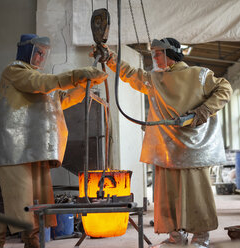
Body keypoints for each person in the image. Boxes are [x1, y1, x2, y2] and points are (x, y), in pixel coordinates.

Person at [98, 38, 232, 248]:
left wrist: (204, 111)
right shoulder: (155, 79)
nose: (155, 57)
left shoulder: (199, 74)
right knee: (168, 195)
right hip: (166, 148)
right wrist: (110, 58)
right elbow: (131, 74)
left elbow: (225, 88)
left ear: (171, 54)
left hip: (193, 148)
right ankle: (175, 236)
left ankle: (201, 237)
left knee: (196, 194)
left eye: (158, 53)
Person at [0, 34, 107, 248]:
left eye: (44, 53)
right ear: (27, 51)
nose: (42, 58)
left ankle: (32, 243)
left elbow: (61, 99)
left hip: (36, 150)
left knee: (36, 204)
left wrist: (83, 86)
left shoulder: (41, 83)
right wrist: (77, 74)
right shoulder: (15, 72)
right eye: (39, 52)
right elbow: (39, 84)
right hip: (15, 151)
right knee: (14, 200)